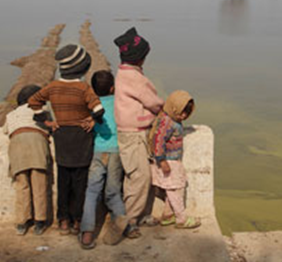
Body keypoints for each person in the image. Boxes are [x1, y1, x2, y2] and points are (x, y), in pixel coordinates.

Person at [28, 44, 105, 236]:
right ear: (83, 68)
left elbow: (33, 102)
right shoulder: (83, 88)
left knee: (63, 182)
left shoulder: (52, 87)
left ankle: (63, 221)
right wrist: (92, 120)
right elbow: (99, 110)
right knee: (80, 183)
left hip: (61, 137)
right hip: (81, 139)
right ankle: (77, 221)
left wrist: (46, 121)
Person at [113, 27, 164, 238]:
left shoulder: (125, 73)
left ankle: (136, 215)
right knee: (140, 177)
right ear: (139, 58)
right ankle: (128, 221)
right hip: (134, 134)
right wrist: (165, 108)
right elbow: (153, 102)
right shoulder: (133, 77)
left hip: (131, 133)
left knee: (134, 175)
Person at [79, 70, 128, 249]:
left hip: (98, 151)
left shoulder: (93, 106)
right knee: (113, 192)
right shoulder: (119, 103)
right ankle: (127, 226)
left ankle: (87, 234)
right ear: (113, 87)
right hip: (116, 151)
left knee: (92, 192)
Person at [2, 84, 55, 236]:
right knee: (39, 185)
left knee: (22, 185)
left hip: (17, 146)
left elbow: (5, 130)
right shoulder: (43, 111)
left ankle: (22, 222)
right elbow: (50, 127)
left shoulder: (11, 115)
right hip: (37, 145)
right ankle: (39, 222)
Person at [149, 90, 201, 229]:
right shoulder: (167, 122)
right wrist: (162, 160)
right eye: (181, 112)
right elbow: (158, 140)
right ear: (173, 107)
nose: (183, 116)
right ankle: (181, 219)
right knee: (175, 189)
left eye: (187, 113)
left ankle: (167, 215)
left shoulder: (171, 119)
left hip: (173, 160)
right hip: (168, 161)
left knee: (173, 188)